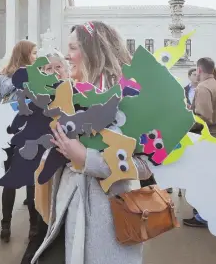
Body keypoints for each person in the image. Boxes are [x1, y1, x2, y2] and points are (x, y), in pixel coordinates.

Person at [31, 21, 154, 264]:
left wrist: (87, 159)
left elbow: (145, 165)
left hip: (109, 218)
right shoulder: (70, 93)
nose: (68, 55)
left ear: (94, 51)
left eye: (74, 48)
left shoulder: (129, 97)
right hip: (69, 207)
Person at [20, 49, 70, 264]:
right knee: (40, 222)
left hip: (67, 172)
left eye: (58, 67)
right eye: (48, 68)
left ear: (66, 70)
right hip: (41, 169)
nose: (54, 72)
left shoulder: (77, 95)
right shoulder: (36, 99)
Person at [0, 40, 38, 243]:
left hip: (8, 136)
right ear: (25, 54)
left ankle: (5, 226)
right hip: (28, 136)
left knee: (10, 183)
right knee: (31, 183)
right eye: (34, 53)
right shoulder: (32, 77)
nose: (36, 57)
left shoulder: (3, 76)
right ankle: (33, 227)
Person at [184, 57, 216, 228]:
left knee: (201, 180)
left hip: (205, 138)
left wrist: (184, 119)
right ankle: (209, 213)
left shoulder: (203, 87)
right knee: (210, 179)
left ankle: (202, 216)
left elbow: (204, 118)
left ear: (199, 70)